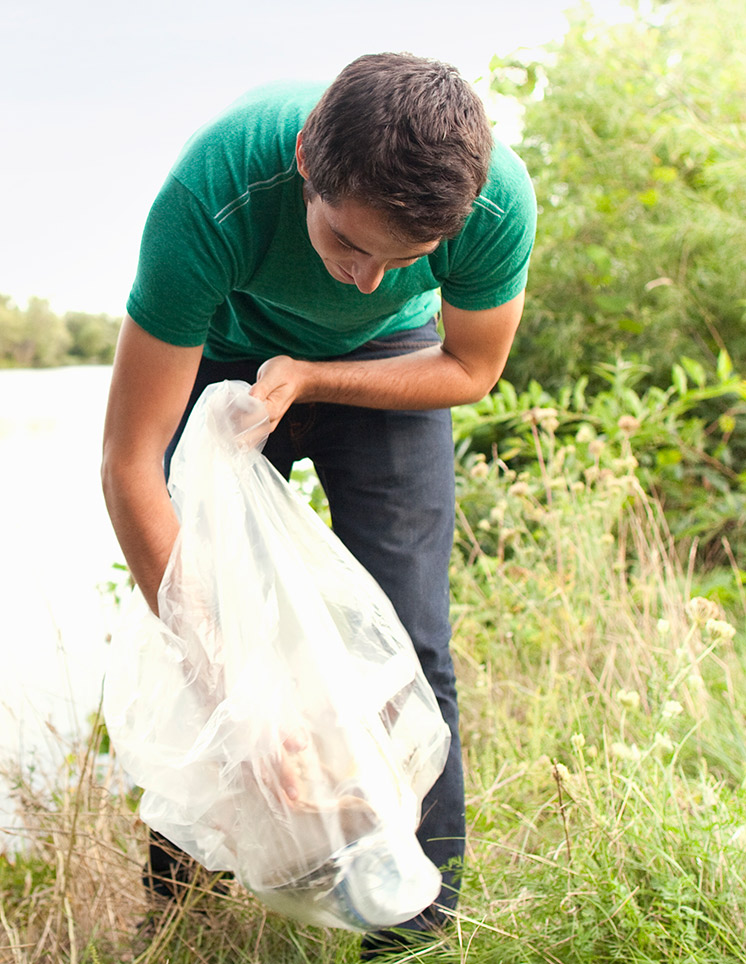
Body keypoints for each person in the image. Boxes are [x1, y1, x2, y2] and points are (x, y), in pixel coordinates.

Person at [99, 54, 535, 953]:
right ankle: (179, 913)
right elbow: (129, 461)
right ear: (306, 159)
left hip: (390, 362)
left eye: (402, 259)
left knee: (412, 639)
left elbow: (471, 368)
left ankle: (413, 927)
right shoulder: (215, 191)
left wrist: (315, 376)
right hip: (223, 354)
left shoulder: (492, 204)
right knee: (202, 623)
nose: (365, 277)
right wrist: (243, 697)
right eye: (346, 243)